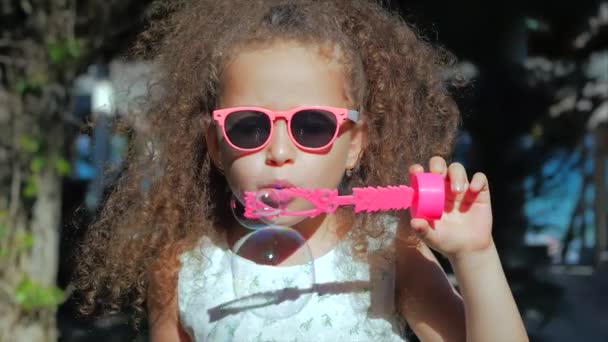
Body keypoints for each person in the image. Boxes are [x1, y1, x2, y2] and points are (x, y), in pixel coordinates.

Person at [74, 1, 529, 341]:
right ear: (215, 146)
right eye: (248, 126)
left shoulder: (388, 254)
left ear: (355, 144)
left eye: (312, 126)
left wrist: (474, 254)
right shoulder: (182, 268)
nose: (278, 151)